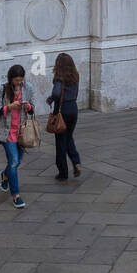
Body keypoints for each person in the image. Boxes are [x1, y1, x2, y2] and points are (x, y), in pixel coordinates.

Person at [0, 65, 35, 209]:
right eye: (16, 80)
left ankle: (5, 175)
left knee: (17, 161)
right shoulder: (2, 89)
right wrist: (8, 107)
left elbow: (33, 107)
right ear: (11, 78)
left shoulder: (28, 88)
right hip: (6, 132)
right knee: (14, 162)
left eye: (21, 80)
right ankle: (16, 195)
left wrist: (28, 107)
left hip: (21, 131)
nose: (19, 83)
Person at [47, 53, 81, 182]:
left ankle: (63, 172)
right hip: (74, 108)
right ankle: (76, 161)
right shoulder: (75, 76)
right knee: (69, 137)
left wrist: (51, 99)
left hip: (62, 111)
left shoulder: (59, 78)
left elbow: (56, 93)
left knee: (61, 141)